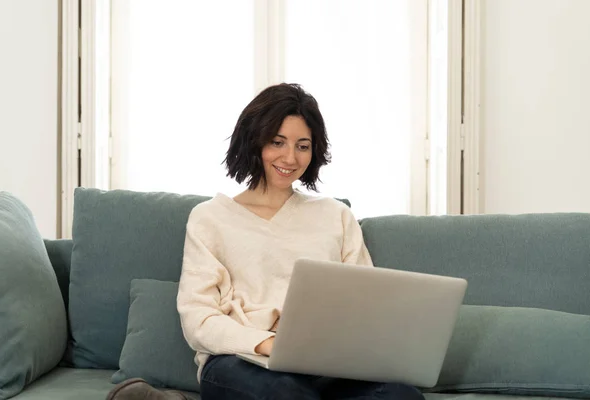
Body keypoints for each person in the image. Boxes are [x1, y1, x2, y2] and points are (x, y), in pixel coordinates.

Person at [106, 83, 424, 400]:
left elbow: (365, 305)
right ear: (254, 140)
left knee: (402, 396)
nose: (290, 157)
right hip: (240, 362)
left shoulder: (335, 215)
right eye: (277, 142)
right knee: (287, 395)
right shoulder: (210, 218)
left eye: (303, 145)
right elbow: (198, 320)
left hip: (324, 367)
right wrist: (268, 344)